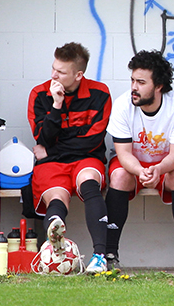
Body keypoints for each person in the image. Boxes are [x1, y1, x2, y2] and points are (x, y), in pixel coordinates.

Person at [104, 50, 174, 274]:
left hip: (165, 164)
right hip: (133, 165)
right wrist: (140, 170)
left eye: (141, 82)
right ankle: (109, 254)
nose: (134, 87)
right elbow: (123, 154)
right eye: (132, 80)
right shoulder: (122, 104)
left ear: (159, 86)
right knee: (119, 175)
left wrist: (158, 168)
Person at [27, 42, 111, 274]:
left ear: (78, 75)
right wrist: (56, 105)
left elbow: (92, 141)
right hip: (53, 164)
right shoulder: (39, 94)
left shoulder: (100, 93)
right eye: (53, 69)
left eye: (61, 72)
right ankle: (55, 250)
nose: (53, 75)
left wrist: (51, 151)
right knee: (57, 198)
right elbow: (43, 137)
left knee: (89, 184)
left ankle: (100, 257)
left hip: (85, 159)